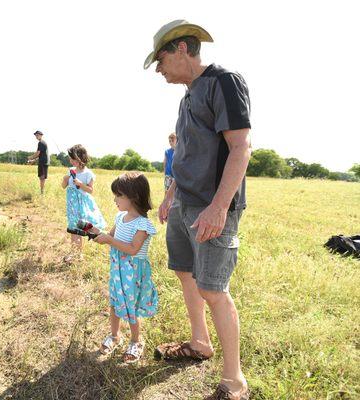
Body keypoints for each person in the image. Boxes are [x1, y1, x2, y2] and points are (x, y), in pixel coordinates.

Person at [144, 20, 251, 400]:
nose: (159, 70)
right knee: (186, 274)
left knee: (213, 288)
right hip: (183, 203)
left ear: (182, 49)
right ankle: (199, 343)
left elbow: (240, 148)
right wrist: (171, 191)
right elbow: (187, 154)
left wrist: (219, 208)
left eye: (160, 60)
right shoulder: (187, 96)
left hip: (212, 207)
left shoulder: (224, 82)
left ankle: (234, 381)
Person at [91, 172, 158, 364]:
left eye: (119, 195)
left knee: (131, 307)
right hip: (117, 269)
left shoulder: (143, 225)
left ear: (134, 197)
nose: (115, 199)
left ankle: (136, 341)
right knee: (115, 302)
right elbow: (110, 236)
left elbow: (132, 248)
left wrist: (109, 239)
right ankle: (114, 336)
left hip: (133, 273)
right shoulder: (120, 217)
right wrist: (98, 234)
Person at [61, 144, 106, 250]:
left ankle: (97, 236)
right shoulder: (71, 170)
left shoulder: (88, 174)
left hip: (82, 204)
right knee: (73, 226)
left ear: (80, 158)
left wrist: (81, 184)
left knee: (81, 224)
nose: (71, 161)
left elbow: (90, 190)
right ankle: (75, 253)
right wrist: (65, 179)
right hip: (72, 203)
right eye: (70, 159)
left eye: (73, 159)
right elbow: (64, 186)